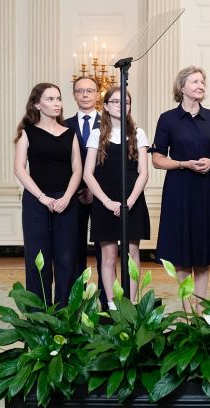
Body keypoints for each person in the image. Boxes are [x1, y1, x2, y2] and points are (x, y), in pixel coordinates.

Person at [152, 66, 210, 307]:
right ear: (182, 87)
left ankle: (200, 307)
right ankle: (188, 310)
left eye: (202, 82)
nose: (200, 85)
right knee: (182, 252)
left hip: (208, 189)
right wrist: (183, 164)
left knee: (204, 251)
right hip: (180, 189)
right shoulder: (168, 119)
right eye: (195, 81)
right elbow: (157, 159)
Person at [13, 83, 82, 306]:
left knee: (66, 259)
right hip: (36, 202)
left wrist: (66, 198)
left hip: (66, 202)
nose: (57, 104)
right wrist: (43, 198)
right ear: (37, 104)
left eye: (59, 99)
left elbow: (77, 169)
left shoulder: (69, 133)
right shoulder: (27, 133)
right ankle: (39, 317)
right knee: (37, 260)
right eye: (50, 99)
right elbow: (19, 169)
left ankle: (65, 314)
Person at [83, 87, 150, 310]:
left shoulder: (138, 134)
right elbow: (87, 174)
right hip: (105, 202)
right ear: (106, 106)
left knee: (131, 252)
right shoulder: (96, 135)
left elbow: (143, 172)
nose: (121, 106)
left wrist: (129, 201)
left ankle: (131, 302)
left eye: (126, 102)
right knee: (108, 255)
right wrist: (106, 202)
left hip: (132, 200)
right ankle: (112, 304)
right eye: (115, 102)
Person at [66, 76, 106, 308]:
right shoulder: (63, 124)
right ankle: (77, 303)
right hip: (72, 197)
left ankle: (104, 302)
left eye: (89, 90)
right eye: (80, 91)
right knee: (73, 250)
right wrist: (77, 189)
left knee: (105, 252)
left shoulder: (110, 123)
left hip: (101, 196)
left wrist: (94, 190)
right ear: (73, 95)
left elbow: (110, 164)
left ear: (97, 94)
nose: (85, 95)